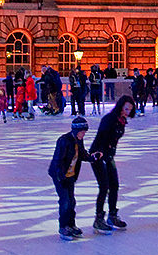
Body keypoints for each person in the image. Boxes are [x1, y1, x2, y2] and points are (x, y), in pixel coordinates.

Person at [88, 96, 134, 234]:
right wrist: (100, 153)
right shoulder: (109, 119)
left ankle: (112, 215)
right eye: (126, 108)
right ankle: (99, 218)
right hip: (98, 155)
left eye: (130, 110)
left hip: (108, 156)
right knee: (104, 186)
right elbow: (101, 137)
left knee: (114, 185)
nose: (127, 112)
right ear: (120, 106)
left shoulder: (121, 121)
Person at [48, 117, 91, 240]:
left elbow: (81, 154)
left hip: (70, 176)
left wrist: (92, 158)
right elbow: (58, 161)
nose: (83, 134)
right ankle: (63, 226)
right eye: (82, 132)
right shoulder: (64, 141)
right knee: (65, 201)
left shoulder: (78, 140)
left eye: (84, 132)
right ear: (76, 130)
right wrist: (61, 177)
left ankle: (71, 225)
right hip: (60, 176)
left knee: (72, 201)